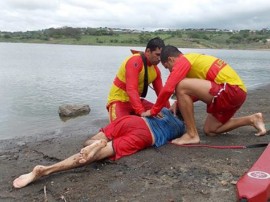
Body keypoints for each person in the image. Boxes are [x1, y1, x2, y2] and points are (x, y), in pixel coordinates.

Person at [13, 108, 185, 189]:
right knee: (98, 155)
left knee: (92, 140)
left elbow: (162, 105)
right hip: (146, 134)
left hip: (132, 120)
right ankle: (47, 170)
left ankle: (97, 143)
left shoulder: (164, 110)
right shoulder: (179, 126)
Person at [141, 45, 266, 145]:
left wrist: (153, 111)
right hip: (236, 93)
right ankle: (252, 119)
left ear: (171, 59)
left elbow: (168, 88)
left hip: (231, 90)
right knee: (210, 130)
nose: (169, 71)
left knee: (180, 86)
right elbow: (201, 92)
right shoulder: (193, 61)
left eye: (167, 67)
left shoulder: (184, 60)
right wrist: (178, 103)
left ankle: (191, 134)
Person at [107, 37, 169, 122]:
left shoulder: (156, 71)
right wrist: (141, 112)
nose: (159, 59)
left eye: (161, 56)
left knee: (163, 113)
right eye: (157, 54)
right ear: (148, 51)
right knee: (120, 126)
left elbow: (161, 94)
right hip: (119, 100)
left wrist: (169, 111)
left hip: (136, 101)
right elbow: (131, 89)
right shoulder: (135, 61)